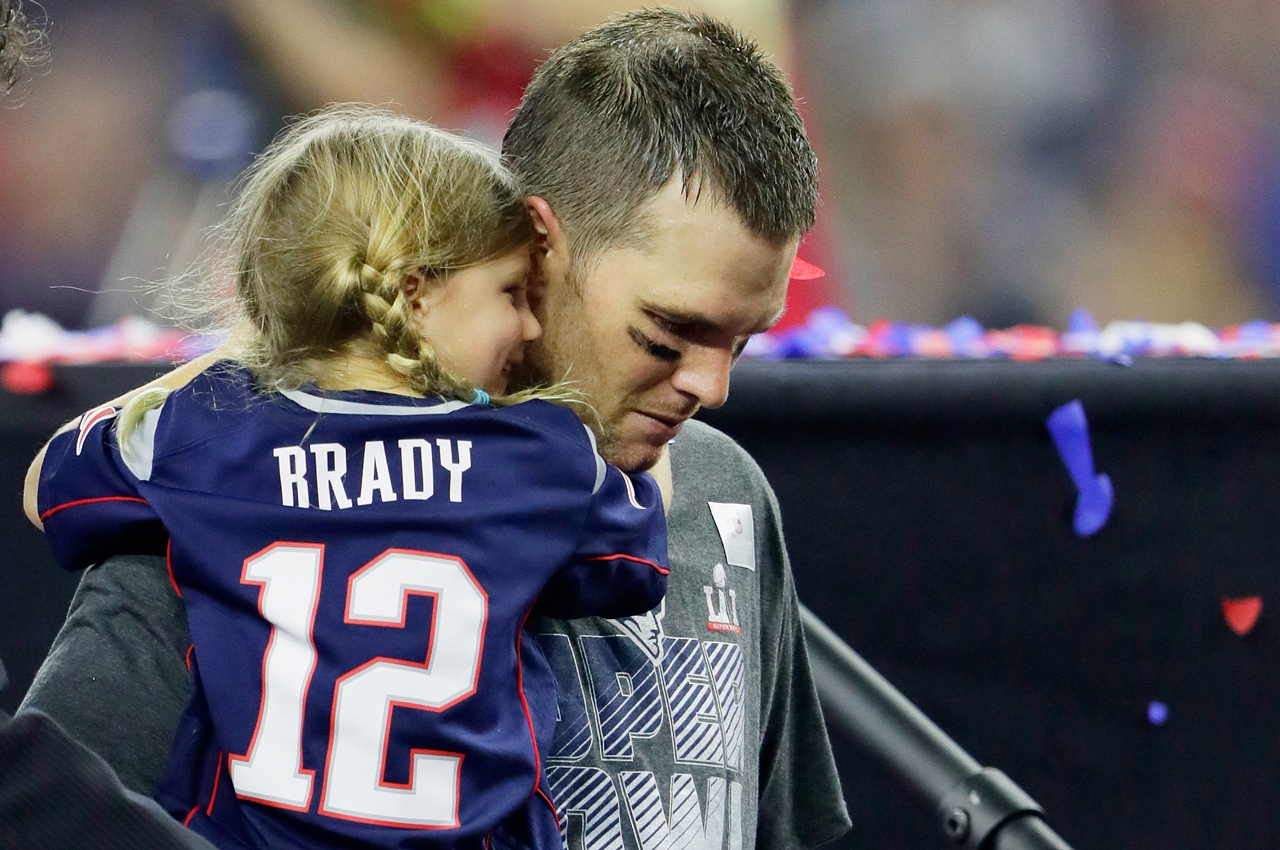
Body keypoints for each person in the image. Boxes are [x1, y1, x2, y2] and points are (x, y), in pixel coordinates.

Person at [22, 9, 854, 850]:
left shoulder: (725, 489)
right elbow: (56, 815)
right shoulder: (228, 506)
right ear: (534, 247)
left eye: (742, 341)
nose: (711, 388)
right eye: (666, 335)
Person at [26, 106, 669, 850]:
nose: (529, 329)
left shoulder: (206, 429)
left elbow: (45, 488)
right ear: (417, 293)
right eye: (510, 294)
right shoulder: (537, 454)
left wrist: (247, 352)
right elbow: (643, 555)